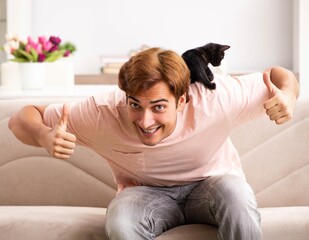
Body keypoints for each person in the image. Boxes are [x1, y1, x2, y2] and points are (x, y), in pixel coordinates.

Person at [9, 47, 299, 240]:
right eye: (135, 105)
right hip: (146, 195)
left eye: (159, 107)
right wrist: (43, 136)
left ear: (182, 100)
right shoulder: (102, 113)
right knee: (120, 217)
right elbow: (22, 118)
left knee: (236, 192)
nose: (145, 121)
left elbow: (276, 75)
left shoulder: (215, 98)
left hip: (211, 186)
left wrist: (287, 95)